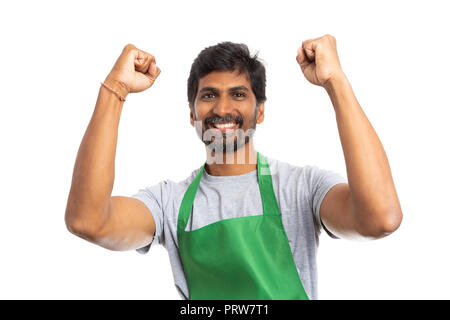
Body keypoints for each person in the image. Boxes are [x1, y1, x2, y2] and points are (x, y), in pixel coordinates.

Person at [65, 34, 403, 300]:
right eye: (209, 96)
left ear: (260, 112)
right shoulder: (170, 203)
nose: (222, 108)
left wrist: (336, 82)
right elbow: (88, 220)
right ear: (192, 113)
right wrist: (115, 89)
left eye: (238, 95)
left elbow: (380, 219)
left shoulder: (301, 188)